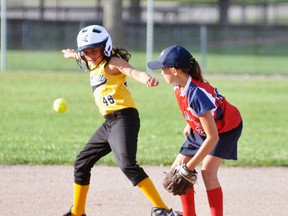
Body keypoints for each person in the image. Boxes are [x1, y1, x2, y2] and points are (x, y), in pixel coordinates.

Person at [61, 25, 180, 216]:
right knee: (82, 162)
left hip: (125, 118)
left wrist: (146, 78)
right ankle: (77, 212)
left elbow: (133, 72)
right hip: (109, 123)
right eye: (86, 52)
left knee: (127, 165)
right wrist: (73, 54)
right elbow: (84, 55)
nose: (90, 55)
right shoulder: (92, 59)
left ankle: (163, 210)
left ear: (105, 48)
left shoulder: (113, 62)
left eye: (94, 50)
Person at [147, 45, 243, 216]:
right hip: (201, 128)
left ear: (175, 70)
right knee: (177, 169)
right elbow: (192, 111)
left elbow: (212, 137)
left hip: (225, 128)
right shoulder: (178, 86)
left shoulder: (196, 94)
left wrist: (189, 167)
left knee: (207, 171)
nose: (161, 73)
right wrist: (190, 125)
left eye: (164, 69)